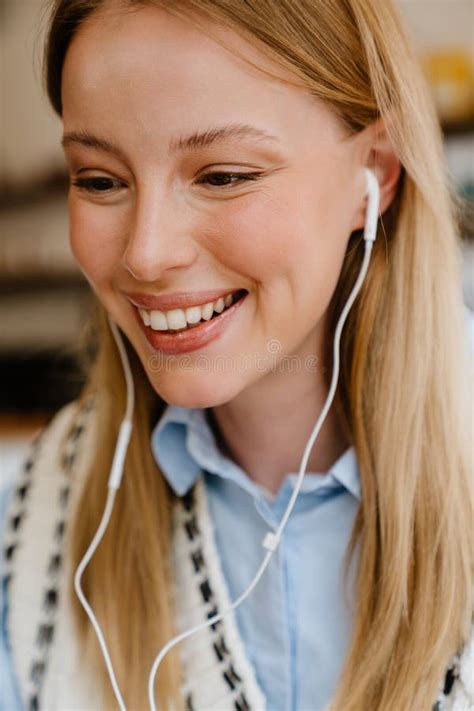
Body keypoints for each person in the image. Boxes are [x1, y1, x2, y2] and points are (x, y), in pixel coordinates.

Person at [1, 0, 473, 709]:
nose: (147, 254)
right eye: (99, 179)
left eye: (223, 175)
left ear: (374, 174)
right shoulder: (36, 516)